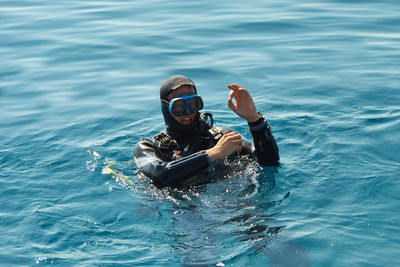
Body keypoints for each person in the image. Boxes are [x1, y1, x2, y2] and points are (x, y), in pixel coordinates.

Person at [133, 75, 279, 187]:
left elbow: (269, 162)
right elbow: (161, 174)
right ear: (166, 108)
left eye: (192, 103)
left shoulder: (221, 136)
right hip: (185, 214)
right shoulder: (147, 147)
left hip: (234, 207)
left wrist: (254, 120)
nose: (187, 112)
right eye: (178, 106)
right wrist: (214, 153)